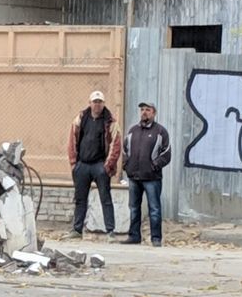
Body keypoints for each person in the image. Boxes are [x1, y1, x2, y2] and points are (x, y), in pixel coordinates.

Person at [65, 90, 121, 241]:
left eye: (100, 102)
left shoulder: (110, 121)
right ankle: (77, 230)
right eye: (95, 102)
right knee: (80, 199)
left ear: (103, 104)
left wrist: (107, 166)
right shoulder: (81, 118)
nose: (97, 105)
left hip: (99, 165)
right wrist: (74, 164)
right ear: (89, 103)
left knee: (105, 198)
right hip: (82, 165)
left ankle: (110, 231)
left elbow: (116, 145)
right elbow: (72, 140)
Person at [120, 101, 171, 247]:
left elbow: (166, 154)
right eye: (142, 109)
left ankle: (156, 238)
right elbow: (125, 151)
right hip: (134, 177)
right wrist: (126, 165)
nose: (144, 112)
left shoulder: (161, 132)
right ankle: (134, 236)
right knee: (134, 208)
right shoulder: (132, 131)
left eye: (147, 110)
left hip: (152, 178)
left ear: (154, 113)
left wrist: (154, 166)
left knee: (154, 209)